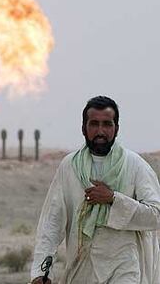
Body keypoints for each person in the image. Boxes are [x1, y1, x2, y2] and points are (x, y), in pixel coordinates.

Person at [30, 96, 160, 284]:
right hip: (82, 266)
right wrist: (41, 271)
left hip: (125, 267)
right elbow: (52, 222)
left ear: (116, 128)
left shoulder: (135, 165)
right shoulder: (70, 167)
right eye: (94, 124)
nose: (101, 131)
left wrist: (114, 199)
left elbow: (156, 215)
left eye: (107, 124)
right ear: (84, 128)